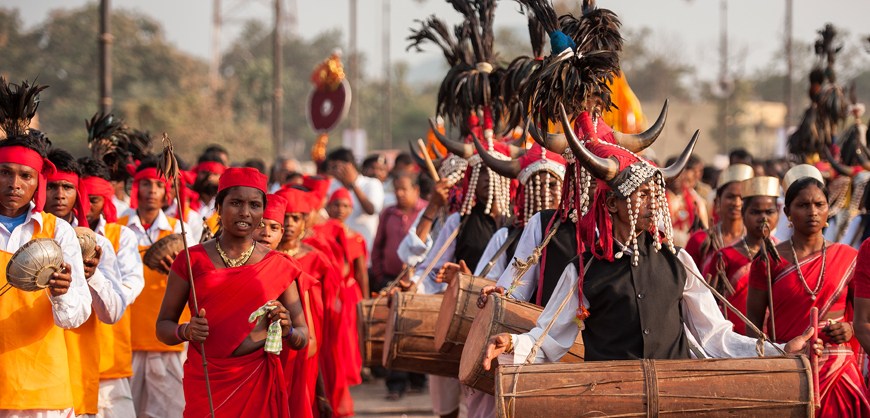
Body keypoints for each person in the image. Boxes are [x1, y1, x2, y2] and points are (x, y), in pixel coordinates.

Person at [481, 135, 819, 380]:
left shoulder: (679, 263)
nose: (652, 203)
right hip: (610, 399)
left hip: (675, 398)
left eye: (654, 195)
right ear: (612, 204)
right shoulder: (584, 270)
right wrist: (511, 341)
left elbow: (715, 336)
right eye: (641, 195)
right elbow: (549, 338)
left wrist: (778, 350)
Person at [156, 167, 310, 418]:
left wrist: (288, 330)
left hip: (257, 380)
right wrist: (185, 331)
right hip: (206, 379)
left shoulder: (278, 265)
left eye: (254, 205)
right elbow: (163, 326)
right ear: (218, 207)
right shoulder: (190, 259)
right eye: (236, 203)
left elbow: (303, 337)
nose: (245, 212)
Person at [0, 79, 92, 417]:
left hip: (42, 387)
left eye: (25, 175)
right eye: (5, 173)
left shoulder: (58, 232)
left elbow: (78, 314)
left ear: (39, 181)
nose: (14, 184)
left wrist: (62, 293)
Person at [747, 165, 870, 416]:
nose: (813, 212)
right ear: (788, 212)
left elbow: (863, 320)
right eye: (803, 205)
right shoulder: (767, 260)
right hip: (789, 368)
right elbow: (753, 328)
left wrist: (849, 328)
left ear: (828, 209)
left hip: (838, 372)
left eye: (819, 204)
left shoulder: (848, 257)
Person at [46, 149, 128, 417]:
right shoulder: (24, 237)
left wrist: (92, 275)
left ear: (77, 193)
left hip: (77, 367)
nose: (59, 195)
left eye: (67, 188)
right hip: (30, 369)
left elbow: (113, 313)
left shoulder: (96, 243)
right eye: (52, 186)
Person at [120, 158, 196, 418]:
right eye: (145, 184)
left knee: (171, 411)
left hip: (170, 338)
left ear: (167, 192)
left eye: (158, 185)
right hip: (127, 337)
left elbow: (199, 281)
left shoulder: (181, 230)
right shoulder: (116, 228)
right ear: (135, 188)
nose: (152, 191)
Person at [79, 156, 145, 418]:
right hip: (72, 352)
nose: (86, 207)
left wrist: (102, 289)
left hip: (110, 347)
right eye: (82, 199)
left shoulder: (120, 236)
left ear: (105, 201)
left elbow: (131, 285)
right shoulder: (59, 233)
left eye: (93, 200)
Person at [702, 176, 780, 335]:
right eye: (755, 212)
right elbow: (708, 303)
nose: (763, 218)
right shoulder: (724, 256)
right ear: (743, 213)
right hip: (734, 339)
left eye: (769, 211)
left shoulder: (784, 255)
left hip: (777, 339)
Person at [685, 164, 754, 270]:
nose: (736, 203)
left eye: (742, 197)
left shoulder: (756, 242)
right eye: (730, 197)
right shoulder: (699, 240)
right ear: (717, 202)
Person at [371, 172, 427, 290]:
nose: (399, 193)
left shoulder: (427, 212)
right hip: (388, 280)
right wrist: (379, 276)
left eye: (403, 189)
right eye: (396, 189)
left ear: (415, 190)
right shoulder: (388, 213)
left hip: (418, 282)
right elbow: (377, 246)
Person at [325, 148, 384, 254]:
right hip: (337, 251)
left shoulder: (372, 184)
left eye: (335, 167)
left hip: (366, 249)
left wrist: (352, 184)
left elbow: (371, 210)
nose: (331, 171)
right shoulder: (332, 185)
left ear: (348, 166)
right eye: (330, 168)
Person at [666, 154, 709, 247]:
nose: (676, 177)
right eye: (672, 173)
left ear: (685, 174)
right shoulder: (657, 199)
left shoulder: (696, 201)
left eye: (679, 172)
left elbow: (704, 231)